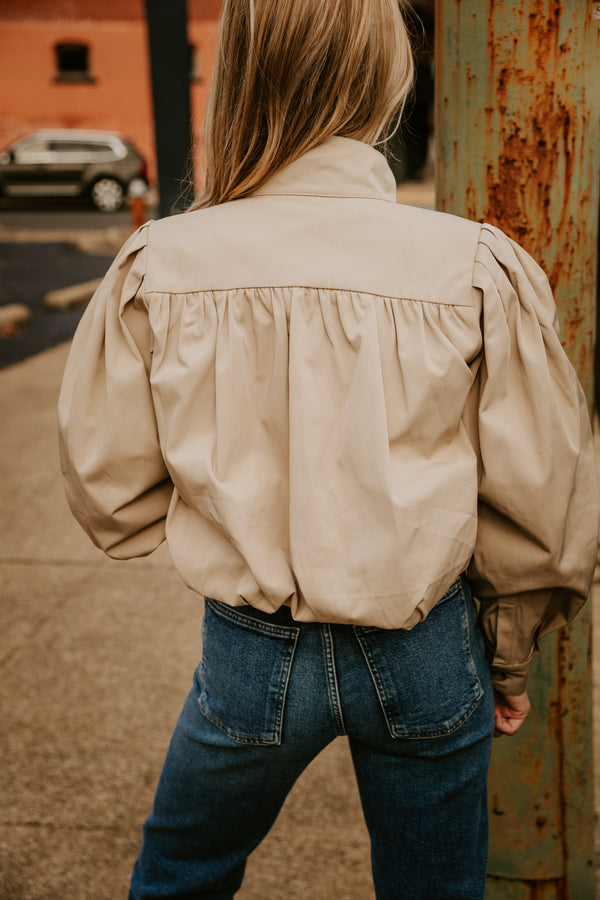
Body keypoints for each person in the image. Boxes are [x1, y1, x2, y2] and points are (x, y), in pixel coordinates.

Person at [57, 0, 599, 897]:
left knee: (179, 874)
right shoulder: (472, 265)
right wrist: (507, 657)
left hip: (248, 652)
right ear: (390, 78)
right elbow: (542, 500)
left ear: (239, 75)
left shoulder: (160, 264)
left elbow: (109, 489)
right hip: (427, 648)